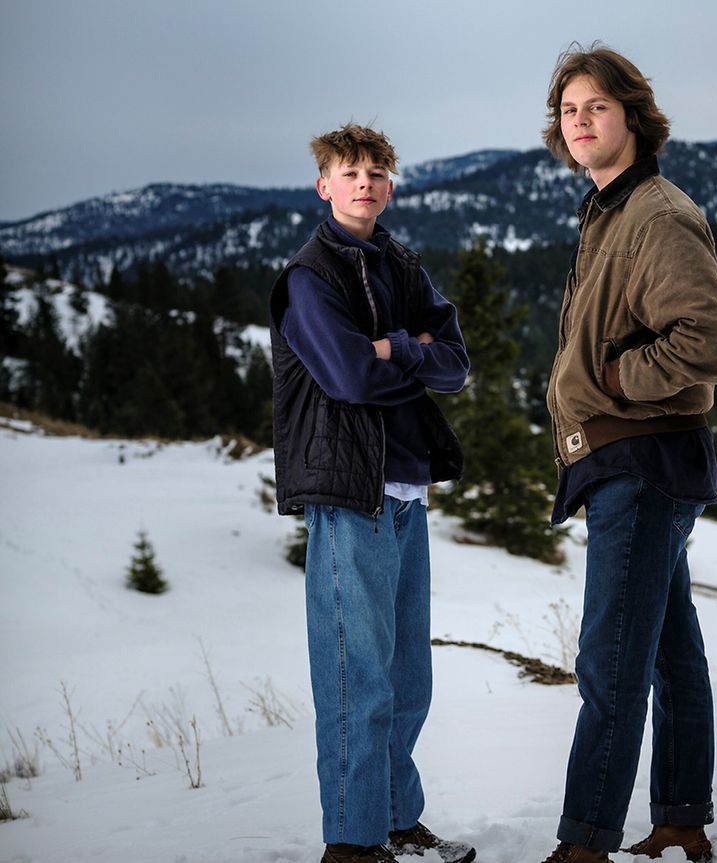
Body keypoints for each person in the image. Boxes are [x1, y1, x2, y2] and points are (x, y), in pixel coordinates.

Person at [538, 45, 717, 863]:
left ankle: (584, 842)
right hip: (641, 459)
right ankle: (681, 817)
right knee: (667, 648)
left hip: (643, 460)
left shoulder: (654, 213)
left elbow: (713, 338)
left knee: (612, 658)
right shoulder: (610, 210)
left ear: (632, 114)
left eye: (595, 106)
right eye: (569, 111)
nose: (581, 122)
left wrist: (623, 378)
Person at [268, 122, 476, 863]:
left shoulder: (401, 264)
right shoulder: (308, 276)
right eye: (349, 171)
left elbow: (455, 361)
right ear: (323, 183)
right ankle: (353, 843)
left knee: (405, 674)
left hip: (408, 486)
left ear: (391, 185)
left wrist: (399, 347)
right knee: (358, 672)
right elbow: (349, 375)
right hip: (348, 489)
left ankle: (395, 820)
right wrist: (400, 350)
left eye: (378, 172)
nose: (365, 183)